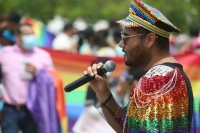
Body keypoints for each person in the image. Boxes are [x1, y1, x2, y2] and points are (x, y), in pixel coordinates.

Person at [83, 0, 196, 132]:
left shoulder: (158, 79)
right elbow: (127, 126)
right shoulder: (167, 75)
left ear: (150, 40)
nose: (120, 44)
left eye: (125, 37)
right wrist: (102, 92)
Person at [0, 23, 54, 133]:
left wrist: (38, 73)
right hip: (9, 110)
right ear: (18, 37)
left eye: (32, 34)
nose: (31, 37)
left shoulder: (43, 55)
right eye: (27, 34)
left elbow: (53, 80)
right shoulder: (5, 53)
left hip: (33, 110)